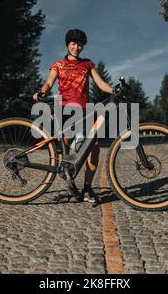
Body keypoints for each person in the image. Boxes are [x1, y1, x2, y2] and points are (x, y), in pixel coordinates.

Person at [33, 29, 114, 204]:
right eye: (73, 44)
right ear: (67, 45)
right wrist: (42, 91)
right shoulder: (59, 64)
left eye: (80, 45)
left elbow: (100, 84)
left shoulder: (88, 64)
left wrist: (114, 90)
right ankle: (70, 182)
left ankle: (87, 188)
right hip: (65, 111)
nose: (77, 47)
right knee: (68, 150)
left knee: (94, 148)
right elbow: (48, 82)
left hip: (85, 111)